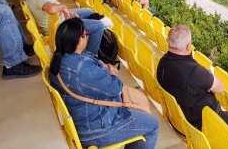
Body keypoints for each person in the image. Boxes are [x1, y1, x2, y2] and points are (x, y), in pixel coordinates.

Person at [49, 18, 159, 148]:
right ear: (79, 41)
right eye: (86, 34)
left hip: (81, 119)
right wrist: (111, 73)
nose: (87, 36)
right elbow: (116, 87)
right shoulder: (82, 69)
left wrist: (101, 69)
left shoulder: (58, 58)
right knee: (152, 124)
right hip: (95, 130)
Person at [156, 25, 228, 146]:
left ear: (168, 41)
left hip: (179, 120)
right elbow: (220, 88)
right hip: (203, 124)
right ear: (188, 46)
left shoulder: (162, 64)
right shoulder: (195, 72)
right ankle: (216, 142)